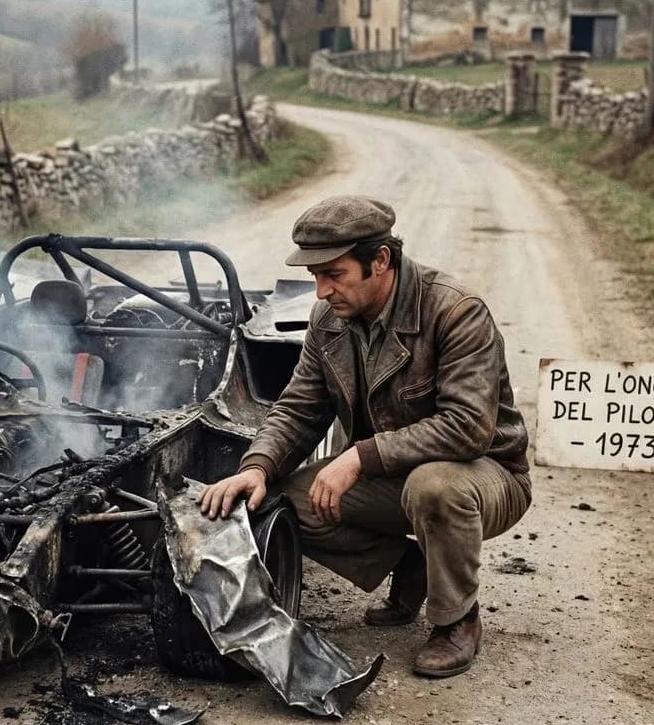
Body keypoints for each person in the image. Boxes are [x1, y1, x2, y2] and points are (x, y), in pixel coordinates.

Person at [199, 195, 531, 678]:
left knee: (435, 487)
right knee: (280, 502)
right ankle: (412, 564)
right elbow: (299, 408)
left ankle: (457, 620)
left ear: (380, 261)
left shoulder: (456, 312)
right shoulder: (328, 321)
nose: (321, 291)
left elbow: (468, 428)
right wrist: (257, 467)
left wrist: (357, 457)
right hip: (391, 471)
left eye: (334, 274)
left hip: (486, 475)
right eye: (315, 277)